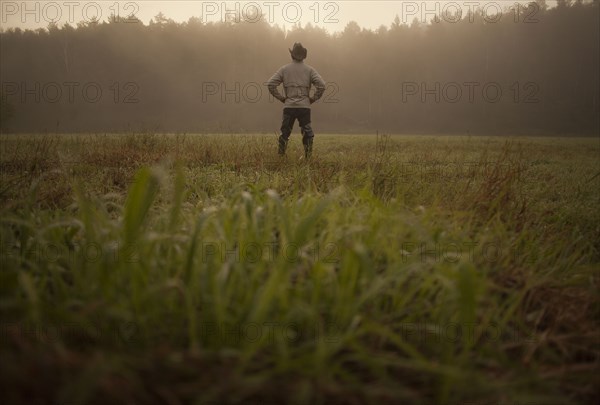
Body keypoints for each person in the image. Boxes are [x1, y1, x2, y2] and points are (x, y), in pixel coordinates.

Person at [266, 43, 326, 159]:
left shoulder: (284, 69)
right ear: (303, 56)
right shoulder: (310, 70)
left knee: (285, 133)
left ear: (292, 55)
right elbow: (322, 85)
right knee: (307, 132)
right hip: (304, 107)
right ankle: (308, 159)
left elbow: (270, 84)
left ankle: (281, 157)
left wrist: (281, 98)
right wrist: (313, 98)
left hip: (289, 106)